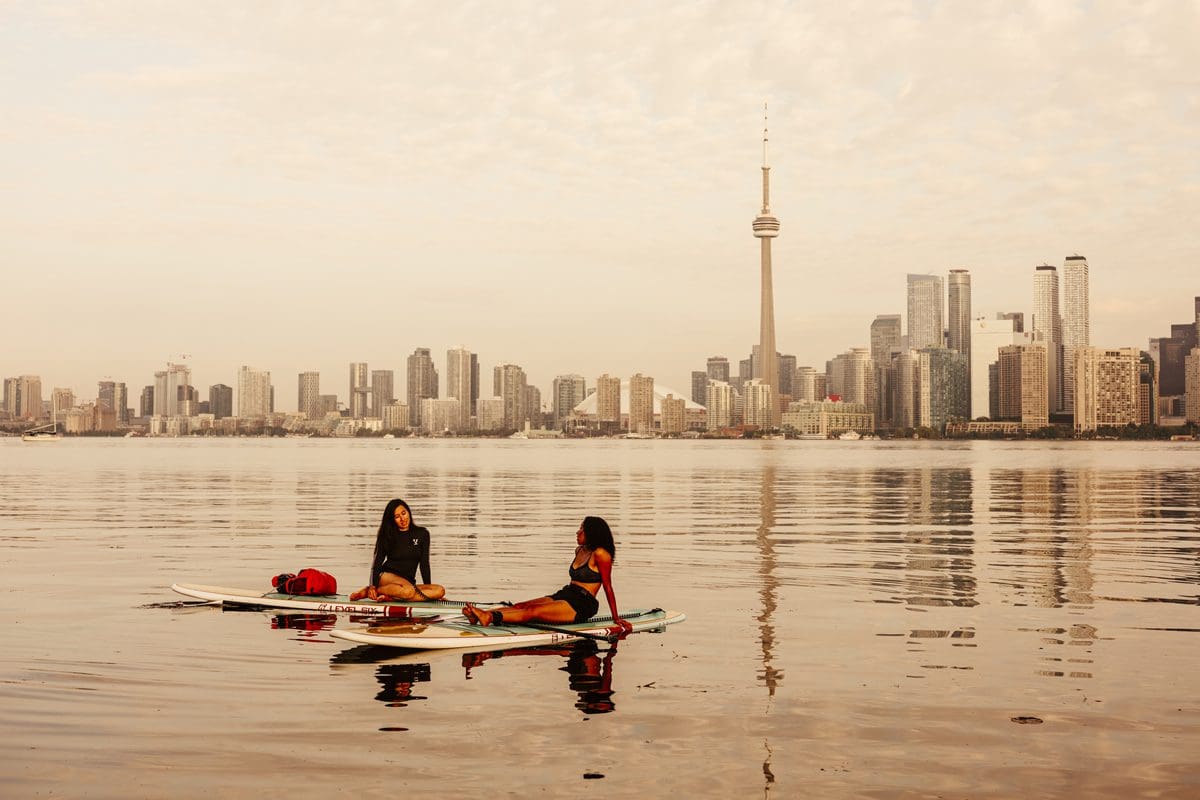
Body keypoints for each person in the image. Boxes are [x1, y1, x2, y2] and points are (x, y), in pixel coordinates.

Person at [462, 516, 633, 635]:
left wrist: (615, 618)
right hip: (566, 593)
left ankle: (489, 617)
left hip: (582, 604)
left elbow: (608, 587)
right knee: (522, 605)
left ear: (591, 532)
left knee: (533, 611)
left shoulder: (601, 554)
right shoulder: (580, 550)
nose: (577, 531)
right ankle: (482, 615)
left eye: (581, 528)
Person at [350, 499, 446, 602]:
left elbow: (424, 564)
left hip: (407, 584)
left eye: (403, 513)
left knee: (439, 590)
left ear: (408, 512)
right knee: (408, 591)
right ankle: (375, 590)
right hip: (387, 577)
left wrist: (431, 593)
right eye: (397, 517)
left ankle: (392, 597)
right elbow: (377, 562)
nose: (402, 519)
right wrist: (373, 585)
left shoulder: (423, 534)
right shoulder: (388, 534)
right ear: (393, 520)